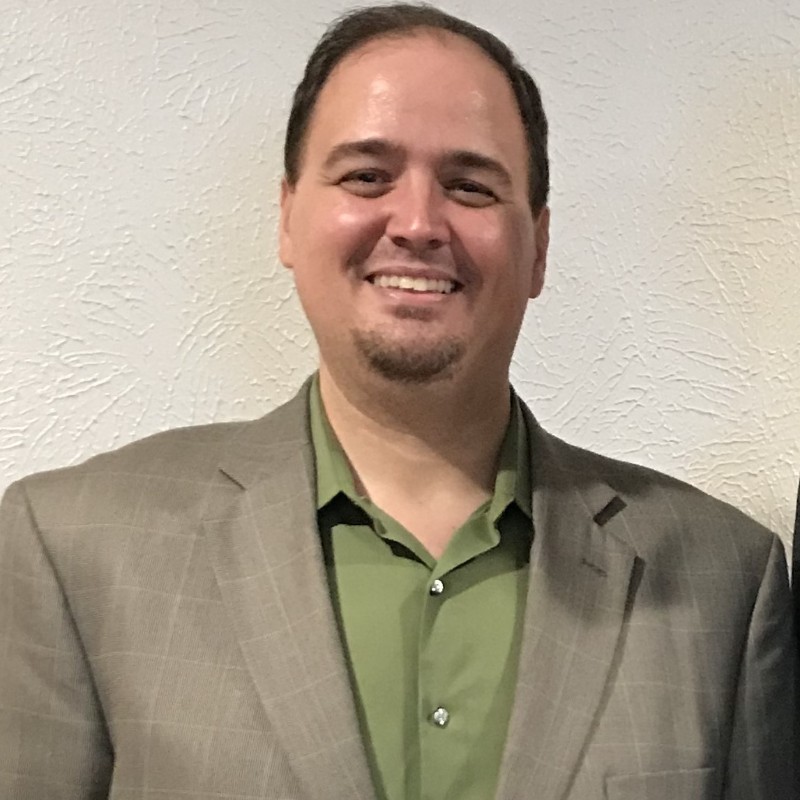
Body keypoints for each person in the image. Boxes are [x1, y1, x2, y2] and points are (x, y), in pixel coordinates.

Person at [0, 4, 795, 799]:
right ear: (287, 217)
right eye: (366, 176)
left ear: (539, 247)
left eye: (470, 186)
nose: (417, 223)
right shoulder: (73, 550)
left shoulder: (726, 580)